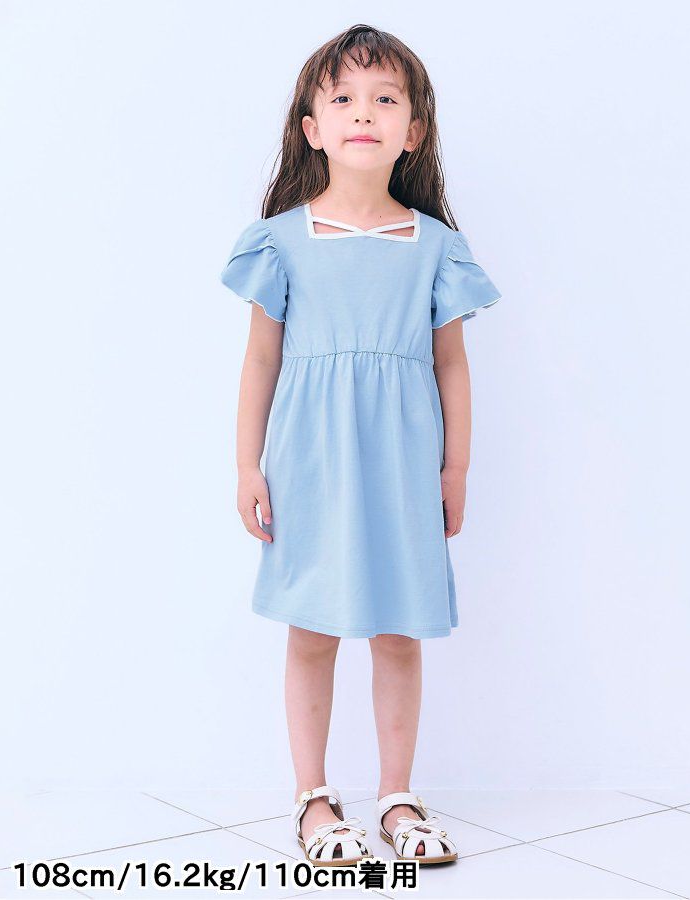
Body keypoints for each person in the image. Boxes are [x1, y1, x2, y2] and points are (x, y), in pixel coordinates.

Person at [220, 24, 501, 868]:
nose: (364, 113)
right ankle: (312, 798)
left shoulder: (435, 247)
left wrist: (456, 466)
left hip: (402, 464)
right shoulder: (281, 241)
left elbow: (451, 365)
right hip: (310, 462)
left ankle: (396, 796)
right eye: (343, 98)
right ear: (313, 127)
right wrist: (247, 465)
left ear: (413, 130)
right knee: (312, 628)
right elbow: (261, 359)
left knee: (398, 631)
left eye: (384, 99)